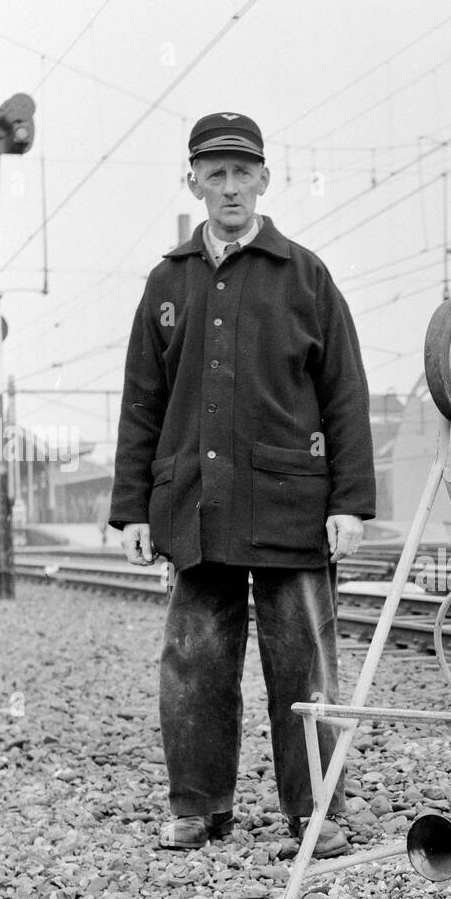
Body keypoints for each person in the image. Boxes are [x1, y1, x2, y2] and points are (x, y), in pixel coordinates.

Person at [110, 112, 375, 856]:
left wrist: (351, 502)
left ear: (265, 178)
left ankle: (315, 810)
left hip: (292, 505)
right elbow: (141, 401)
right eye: (215, 173)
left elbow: (346, 393)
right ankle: (198, 807)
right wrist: (131, 509)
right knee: (194, 660)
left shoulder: (305, 276)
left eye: (242, 172)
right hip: (196, 504)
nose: (229, 187)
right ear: (192, 180)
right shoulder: (167, 282)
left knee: (304, 664)